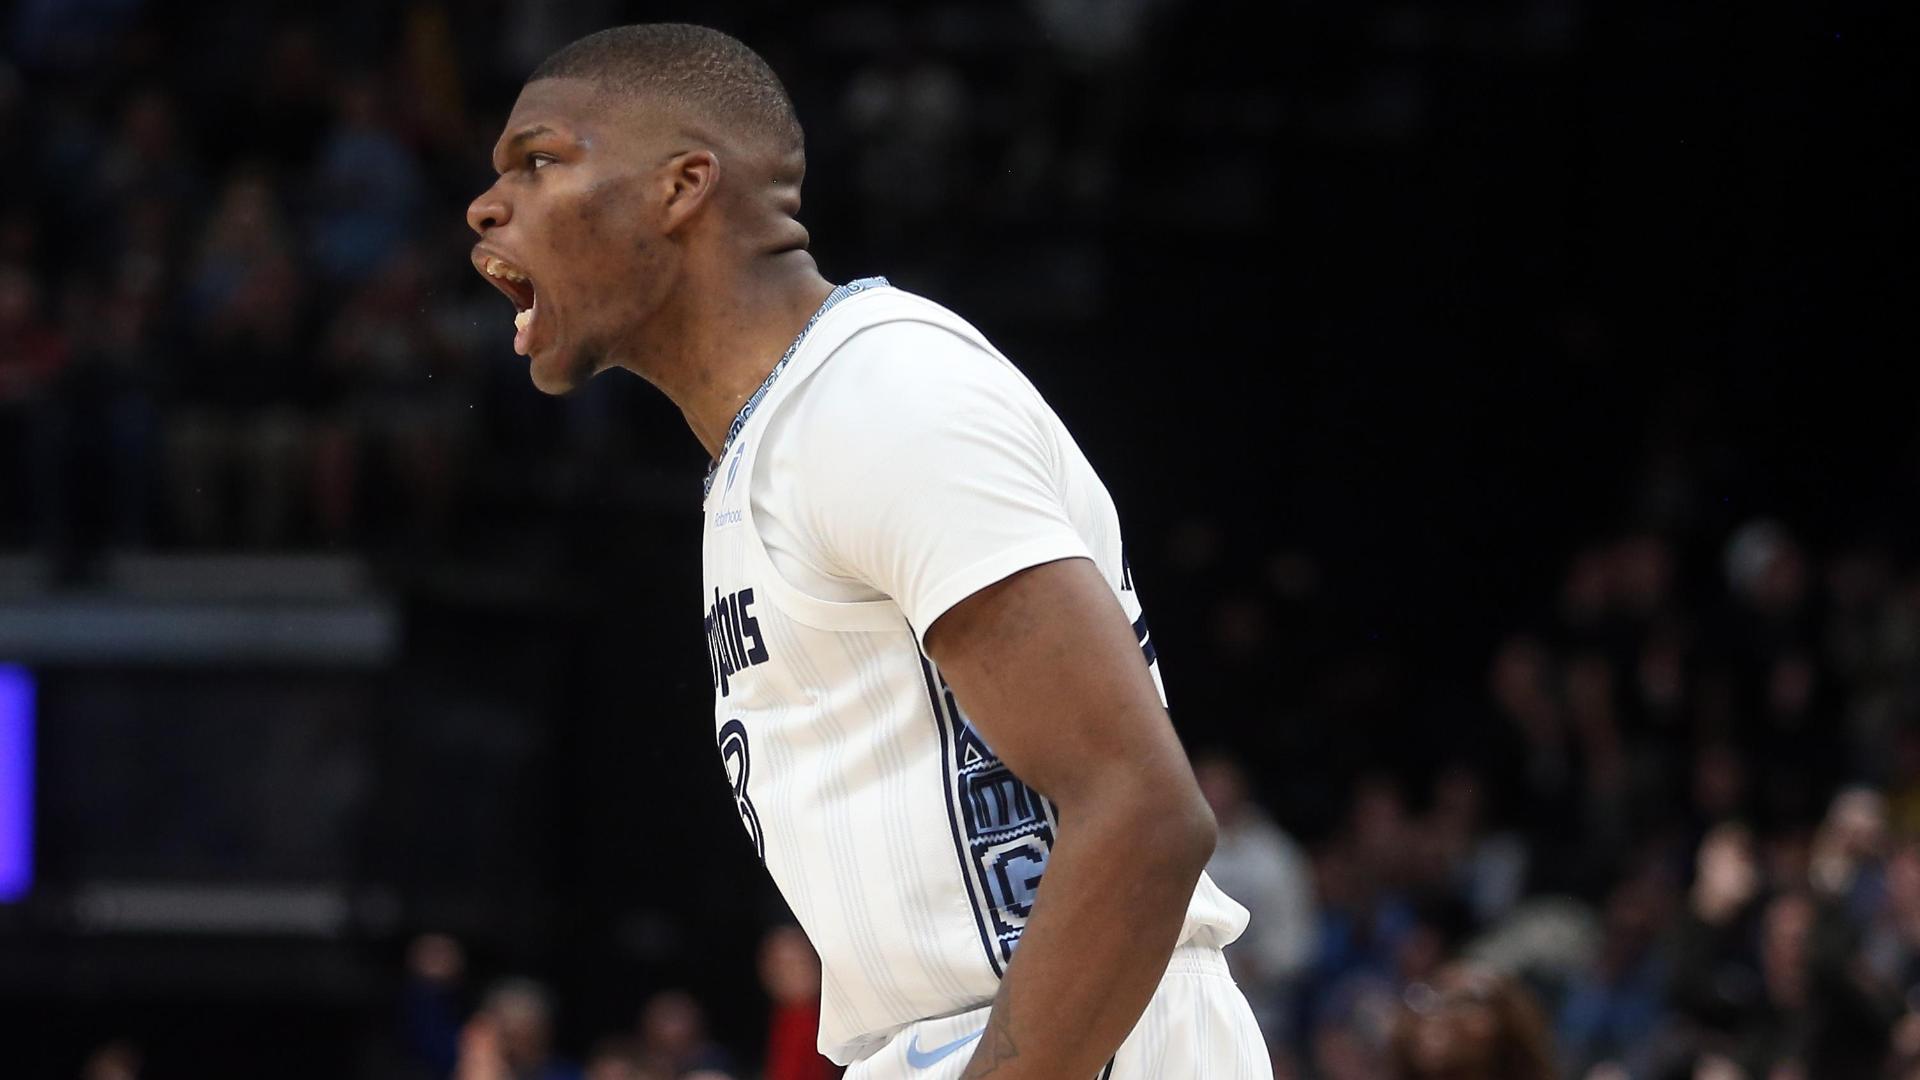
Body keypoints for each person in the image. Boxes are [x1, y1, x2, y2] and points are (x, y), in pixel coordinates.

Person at [465, 22, 1262, 1080]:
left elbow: (1144, 812)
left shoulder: (880, 395)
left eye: (539, 160)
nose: (486, 205)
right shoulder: (768, 451)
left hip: (1086, 1037)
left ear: (682, 186)